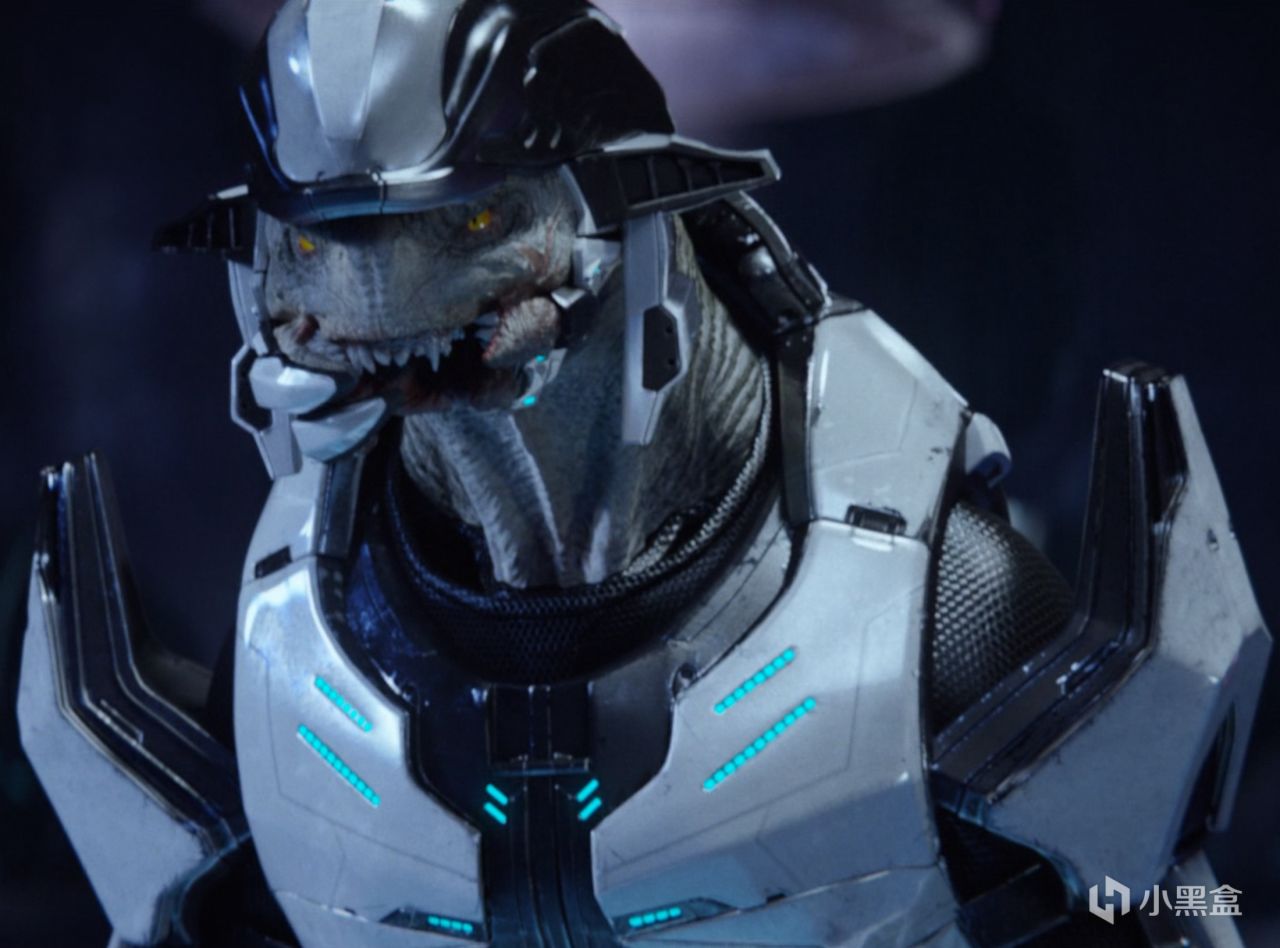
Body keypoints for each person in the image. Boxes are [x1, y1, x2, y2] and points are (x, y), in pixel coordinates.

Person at [18, 2, 1270, 945]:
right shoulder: (301, 634)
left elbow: (1157, 903)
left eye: (464, 225)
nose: (369, 302)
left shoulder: (930, 593)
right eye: (320, 246)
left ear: (630, 227)